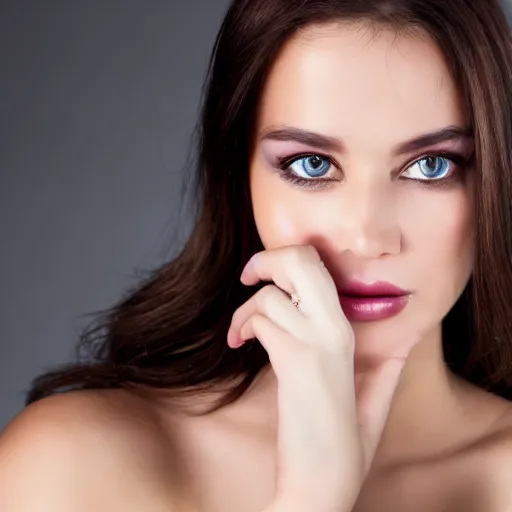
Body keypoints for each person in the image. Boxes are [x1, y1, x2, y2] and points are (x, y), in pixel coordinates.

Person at [2, 0, 512, 510]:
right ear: (238, 179)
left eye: (431, 166)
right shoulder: (71, 467)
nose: (367, 237)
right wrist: (312, 497)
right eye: (312, 165)